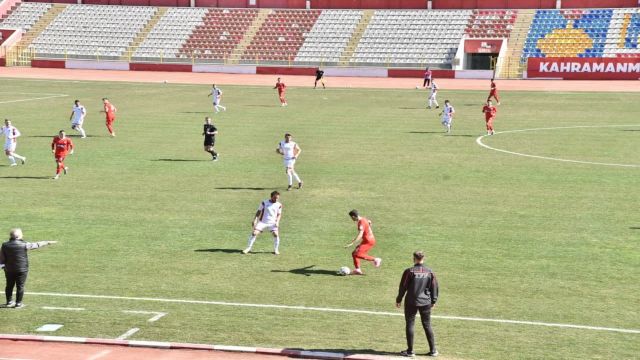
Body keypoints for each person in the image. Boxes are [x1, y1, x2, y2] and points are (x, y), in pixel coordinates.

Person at [396, 251, 439, 357]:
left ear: (414, 258)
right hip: (426, 302)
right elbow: (434, 287)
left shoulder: (409, 271)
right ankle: (433, 350)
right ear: (423, 258)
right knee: (427, 325)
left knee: (410, 324)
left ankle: (410, 351)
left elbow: (403, 287)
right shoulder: (430, 272)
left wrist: (399, 299)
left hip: (411, 301)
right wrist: (433, 300)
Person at [0, 228, 57, 309]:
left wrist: (2, 266)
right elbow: (36, 245)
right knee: (20, 286)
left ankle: (9, 302)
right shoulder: (24, 244)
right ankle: (18, 304)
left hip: (9, 269)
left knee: (9, 285)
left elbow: (1, 258)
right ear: (19, 236)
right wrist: (46, 242)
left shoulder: (4, 245)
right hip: (22, 269)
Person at [243, 191, 282, 255]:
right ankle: (248, 248)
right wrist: (255, 219)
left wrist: (277, 222)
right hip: (263, 222)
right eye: (275, 198)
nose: (276, 199)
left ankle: (276, 249)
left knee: (276, 234)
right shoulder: (264, 202)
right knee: (254, 233)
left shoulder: (279, 205)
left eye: (277, 198)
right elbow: (259, 211)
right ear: (271, 197)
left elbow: (279, 214)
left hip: (272, 223)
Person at [344, 210, 381, 275]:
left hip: (368, 241)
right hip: (367, 240)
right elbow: (369, 222)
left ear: (353, 216)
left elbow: (360, 234)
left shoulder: (361, 222)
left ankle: (375, 259)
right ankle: (358, 270)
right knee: (354, 253)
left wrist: (352, 243)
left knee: (357, 254)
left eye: (351, 217)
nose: (351, 219)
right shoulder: (364, 219)